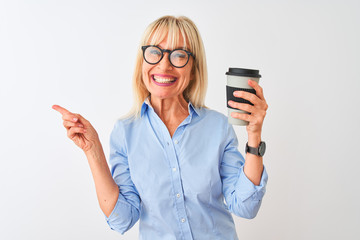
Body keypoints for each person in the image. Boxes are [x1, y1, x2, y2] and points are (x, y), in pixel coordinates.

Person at [53, 15, 268, 240]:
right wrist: (92, 150)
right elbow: (122, 219)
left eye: (179, 55)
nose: (164, 65)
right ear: (142, 62)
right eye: (155, 52)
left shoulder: (217, 127)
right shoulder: (125, 132)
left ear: (193, 68)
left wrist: (254, 136)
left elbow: (245, 207)